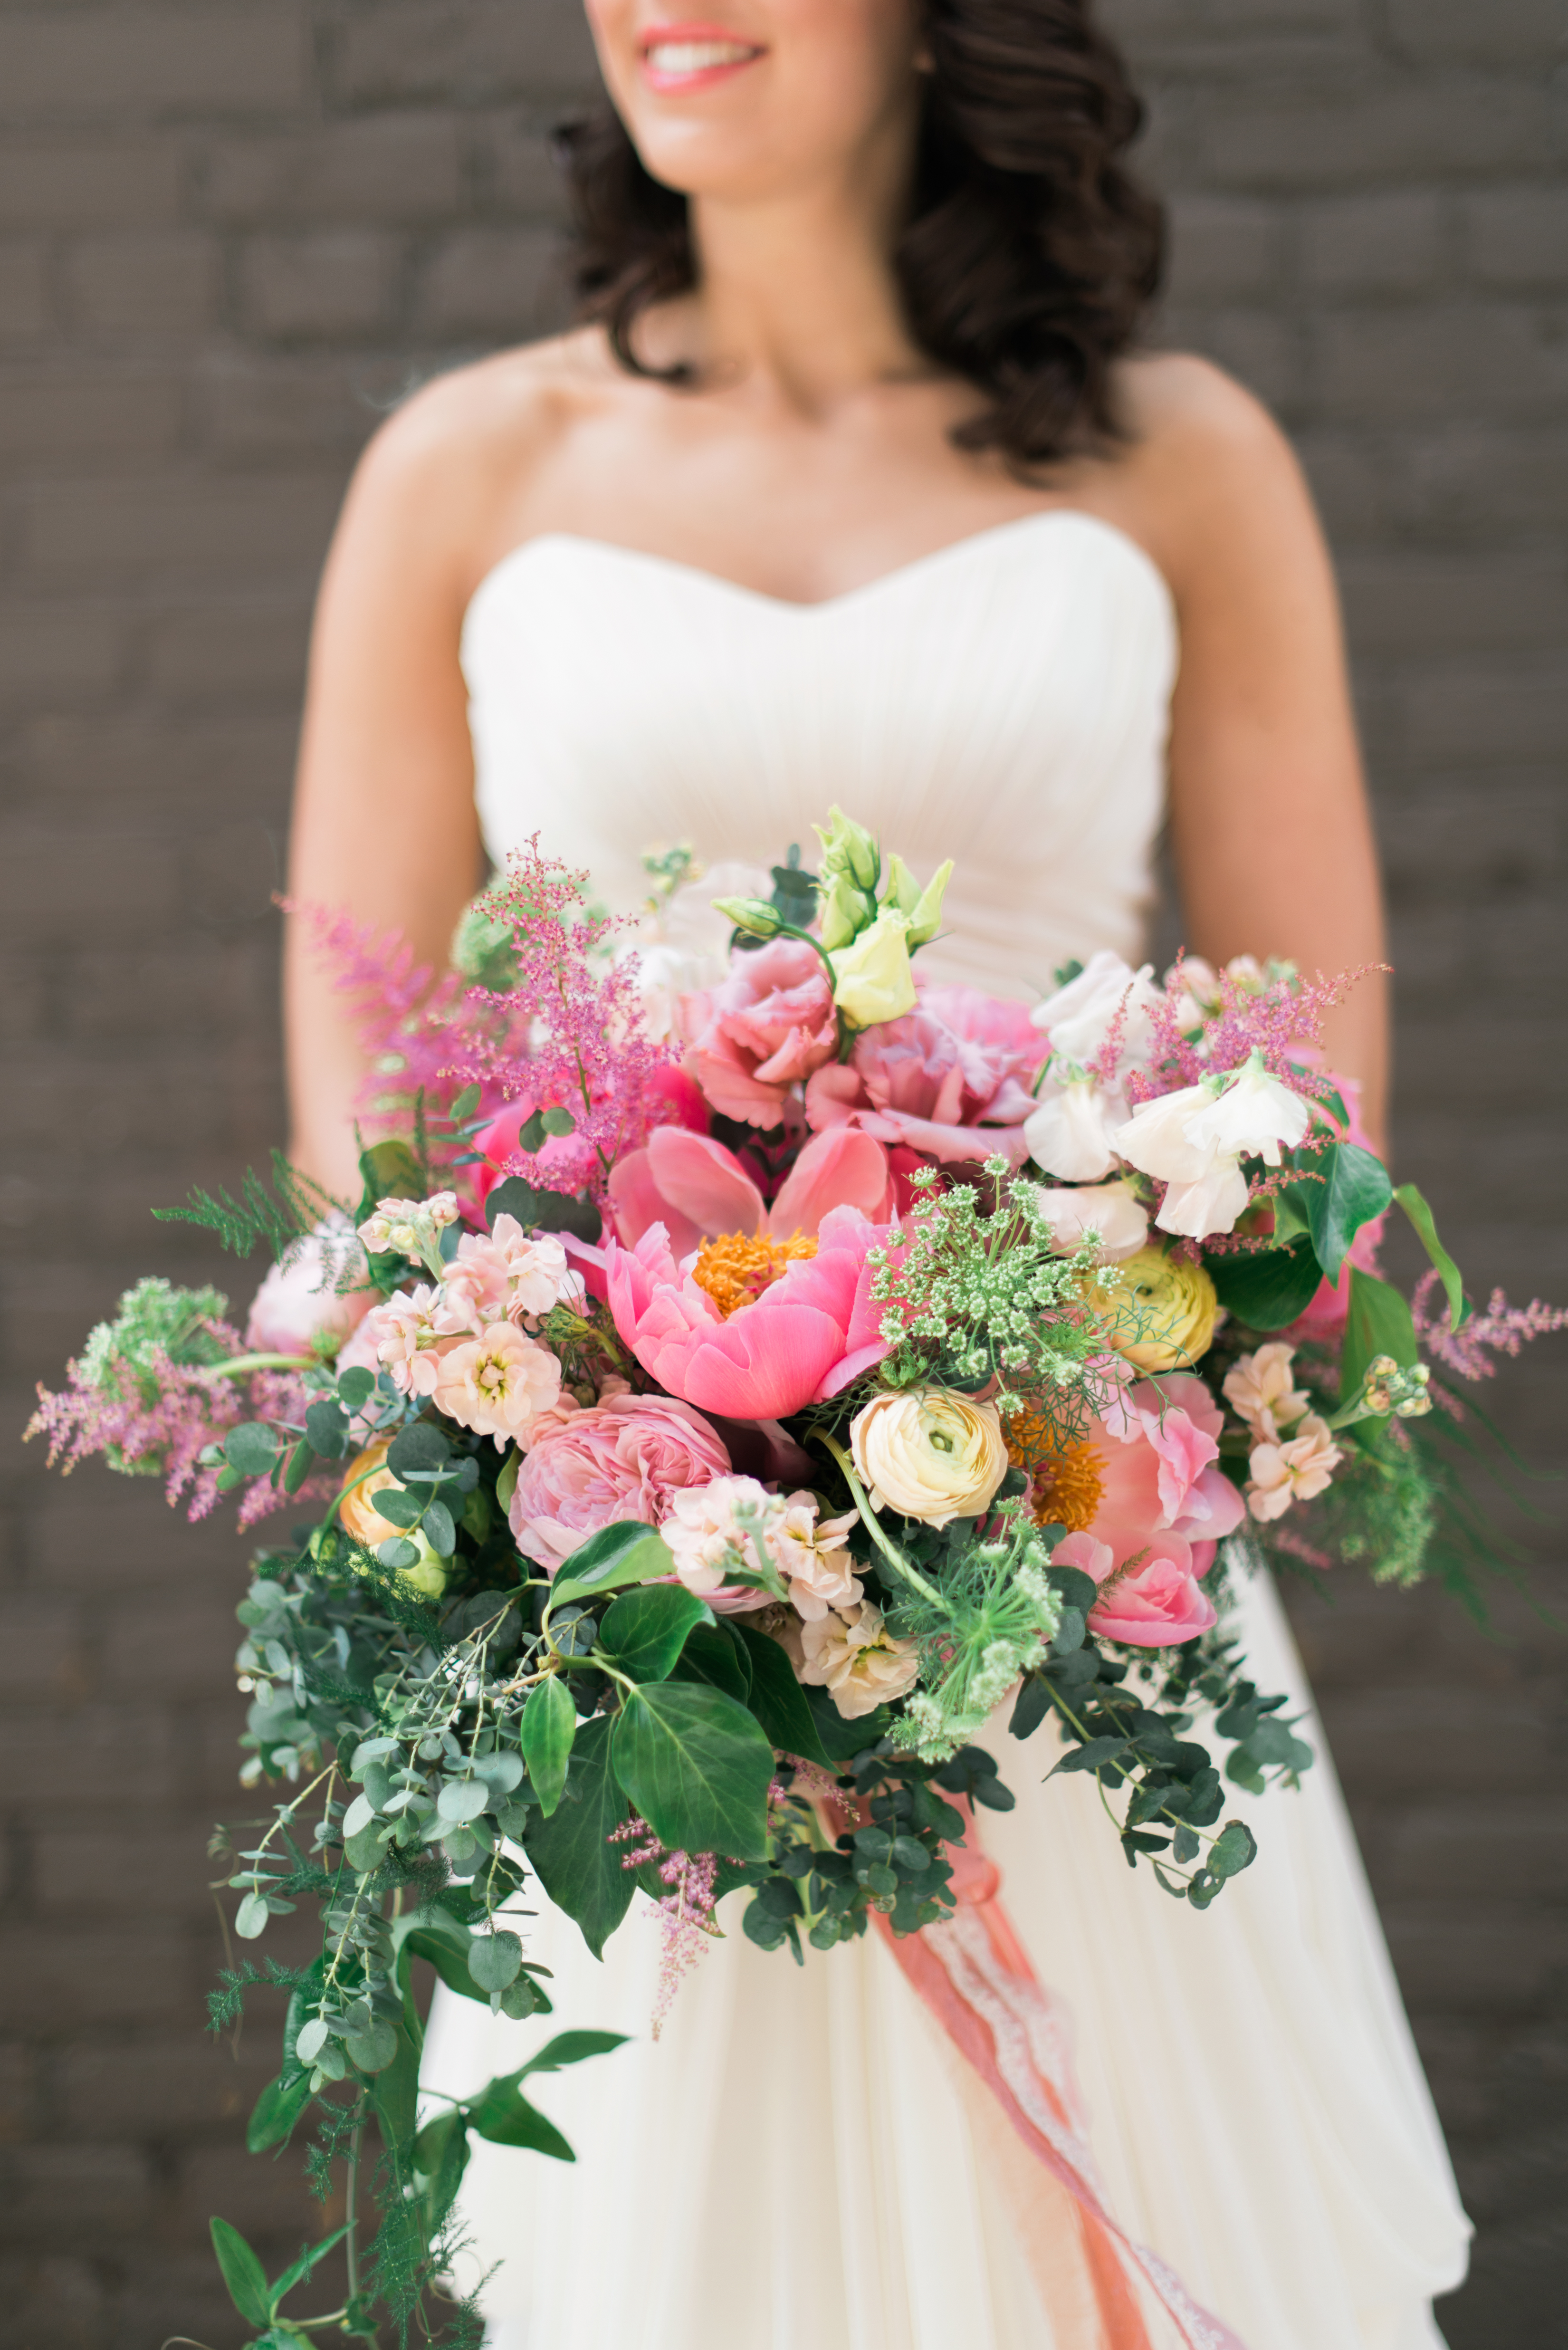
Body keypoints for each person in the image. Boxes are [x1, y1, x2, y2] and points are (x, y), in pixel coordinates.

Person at [283, 2, 1472, 2342]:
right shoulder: (462, 469)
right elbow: (368, 1127)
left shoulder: (1184, 463)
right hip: (636, 1620)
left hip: (1073, 1573)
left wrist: (1031, 1417)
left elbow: (1317, 1106)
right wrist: (592, 1448)